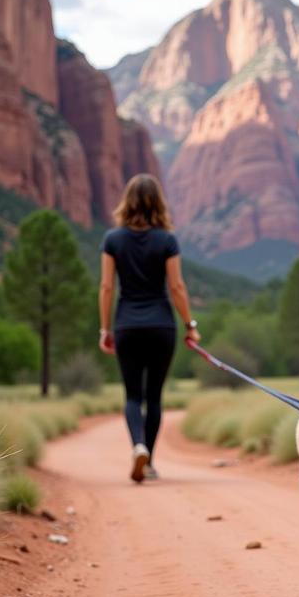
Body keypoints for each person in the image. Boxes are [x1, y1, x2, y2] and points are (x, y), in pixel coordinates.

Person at [98, 173, 200, 483]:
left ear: (126, 202)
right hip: (161, 326)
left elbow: (105, 287)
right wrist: (190, 325)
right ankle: (150, 461)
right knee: (154, 396)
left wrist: (105, 330)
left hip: (127, 325)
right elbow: (177, 287)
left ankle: (138, 445)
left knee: (132, 396)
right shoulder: (167, 240)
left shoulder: (112, 239)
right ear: (159, 203)